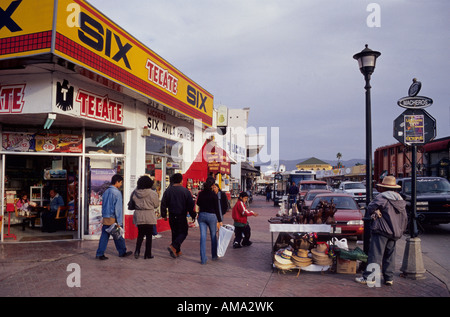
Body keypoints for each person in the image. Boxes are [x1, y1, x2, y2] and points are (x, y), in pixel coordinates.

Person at [355, 175, 408, 286]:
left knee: (376, 254)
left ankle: (370, 277)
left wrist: (375, 211)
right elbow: (405, 218)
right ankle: (389, 278)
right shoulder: (400, 199)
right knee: (390, 255)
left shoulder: (383, 197)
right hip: (395, 232)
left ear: (384, 187)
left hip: (382, 230)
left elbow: (370, 207)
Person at [96, 174, 132, 260]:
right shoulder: (117, 193)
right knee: (118, 235)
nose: (121, 184)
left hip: (105, 217)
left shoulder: (106, 192)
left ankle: (99, 253)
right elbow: (118, 209)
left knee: (104, 236)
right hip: (113, 218)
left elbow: (103, 205)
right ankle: (122, 252)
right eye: (121, 182)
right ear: (117, 182)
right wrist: (119, 222)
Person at [161, 173, 195, 258]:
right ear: (180, 181)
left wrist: (164, 214)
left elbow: (163, 203)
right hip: (181, 215)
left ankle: (177, 250)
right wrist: (193, 215)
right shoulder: (185, 191)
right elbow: (190, 205)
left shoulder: (168, 191)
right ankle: (173, 246)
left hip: (172, 215)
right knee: (183, 232)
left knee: (175, 232)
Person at [131, 175, 160, 259]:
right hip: (149, 215)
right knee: (149, 236)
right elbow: (156, 205)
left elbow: (131, 203)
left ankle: (137, 251)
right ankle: (147, 254)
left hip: (139, 215)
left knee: (140, 235)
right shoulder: (152, 193)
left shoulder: (135, 192)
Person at [196, 177, 222, 264]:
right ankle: (214, 255)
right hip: (212, 216)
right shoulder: (214, 195)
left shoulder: (201, 193)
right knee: (213, 236)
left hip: (202, 215)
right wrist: (220, 220)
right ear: (213, 185)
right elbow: (217, 208)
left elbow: (198, 203)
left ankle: (203, 259)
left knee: (203, 237)